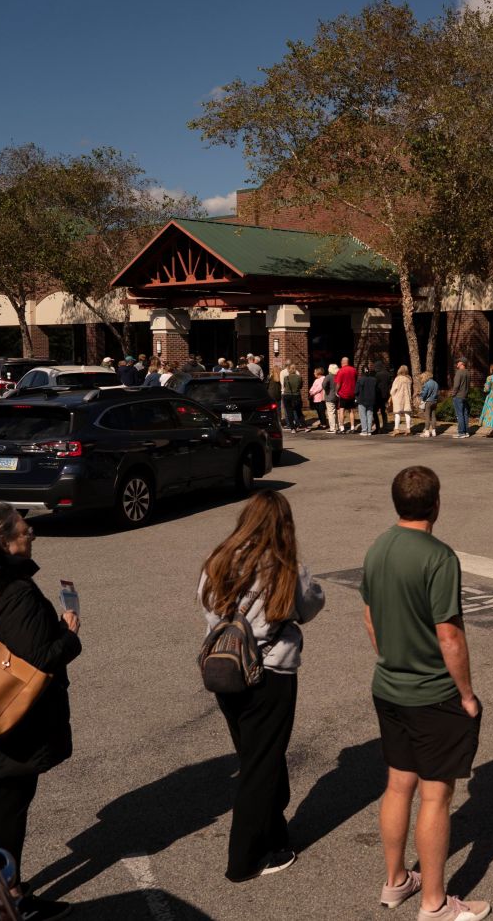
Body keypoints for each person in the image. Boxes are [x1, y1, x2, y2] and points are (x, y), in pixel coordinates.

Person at [360, 467, 488, 921]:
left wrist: (391, 654)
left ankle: (396, 881)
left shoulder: (378, 547)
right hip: (432, 694)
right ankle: (434, 903)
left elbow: (371, 617)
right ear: (436, 503)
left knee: (399, 783)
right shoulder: (439, 557)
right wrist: (467, 695)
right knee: (435, 796)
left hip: (389, 686)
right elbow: (449, 635)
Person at [0, 506, 80, 921]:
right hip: (12, 724)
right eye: (25, 532)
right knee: (8, 809)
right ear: (3, 542)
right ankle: (6, 899)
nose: (33, 534)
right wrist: (68, 634)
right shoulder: (15, 592)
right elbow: (38, 660)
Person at [198, 491, 325, 883]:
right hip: (270, 673)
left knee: (255, 754)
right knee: (261, 763)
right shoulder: (285, 566)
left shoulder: (218, 560)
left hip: (225, 667)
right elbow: (310, 606)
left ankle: (275, 831)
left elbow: (205, 604)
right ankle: (245, 858)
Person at [336, 357, 359, 435]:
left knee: (341, 410)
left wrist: (336, 391)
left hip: (343, 393)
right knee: (351, 411)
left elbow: (338, 383)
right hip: (352, 393)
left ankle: (342, 428)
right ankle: (352, 427)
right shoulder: (354, 370)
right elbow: (356, 380)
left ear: (342, 362)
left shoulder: (341, 371)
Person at [449, 358, 471, 439]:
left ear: (462, 363)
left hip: (458, 396)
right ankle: (466, 432)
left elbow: (456, 385)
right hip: (465, 396)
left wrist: (453, 394)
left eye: (458, 362)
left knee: (459, 414)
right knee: (465, 414)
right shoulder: (468, 373)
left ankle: (461, 432)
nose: (456, 364)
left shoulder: (459, 372)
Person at [356, 364, 380, 437]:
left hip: (362, 399)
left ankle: (364, 430)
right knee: (369, 415)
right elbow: (377, 390)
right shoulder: (373, 380)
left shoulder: (360, 380)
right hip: (371, 399)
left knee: (363, 416)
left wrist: (356, 397)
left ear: (362, 371)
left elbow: (356, 390)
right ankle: (369, 431)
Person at [390, 366, 414, 436]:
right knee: (407, 413)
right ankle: (408, 429)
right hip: (407, 397)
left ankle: (396, 429)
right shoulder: (409, 379)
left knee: (397, 413)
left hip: (398, 398)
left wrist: (391, 394)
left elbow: (393, 389)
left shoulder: (398, 379)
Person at [281, 361, 304, 432]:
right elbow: (300, 386)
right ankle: (298, 424)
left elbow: (284, 385)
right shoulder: (299, 377)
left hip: (287, 395)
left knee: (289, 412)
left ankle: (292, 428)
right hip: (296, 395)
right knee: (297, 411)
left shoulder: (286, 378)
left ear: (289, 369)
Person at [418, 371, 439, 438]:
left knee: (427, 417)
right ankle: (434, 431)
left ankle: (427, 432)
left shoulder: (427, 384)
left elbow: (425, 394)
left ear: (426, 377)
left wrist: (421, 396)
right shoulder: (436, 383)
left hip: (428, 401)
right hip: (435, 401)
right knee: (433, 416)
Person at [323, 363, 340, 434]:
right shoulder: (338, 376)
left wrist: (326, 389)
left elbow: (324, 385)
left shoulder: (328, 376)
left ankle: (332, 428)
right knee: (336, 412)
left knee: (331, 412)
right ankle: (337, 426)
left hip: (329, 396)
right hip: (337, 396)